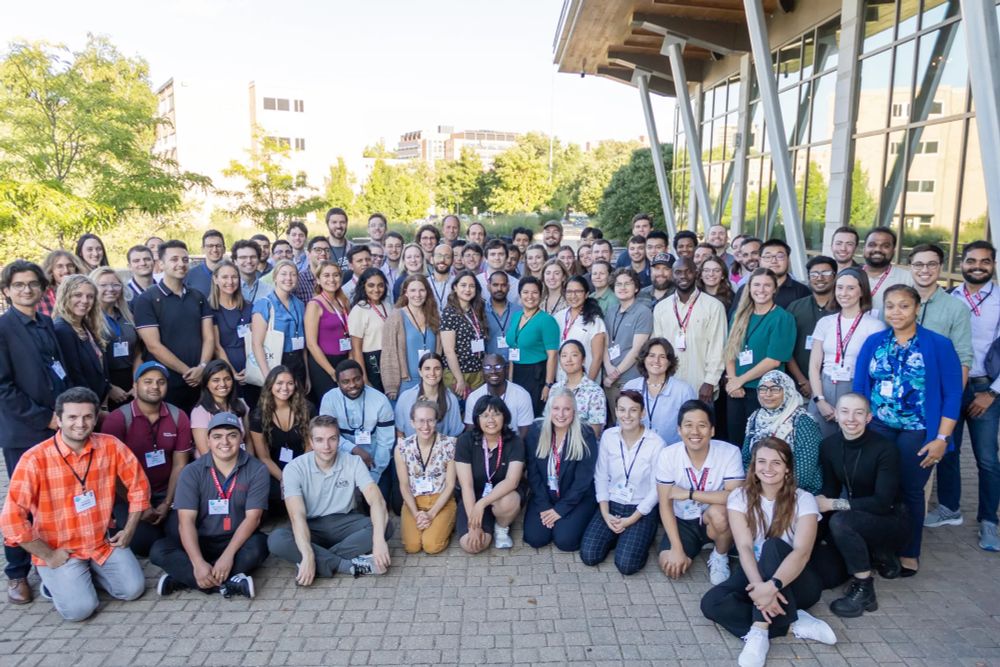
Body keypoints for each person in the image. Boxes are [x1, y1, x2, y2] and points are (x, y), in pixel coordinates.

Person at [1, 386, 149, 621]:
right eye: (72, 417)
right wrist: (48, 555)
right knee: (80, 611)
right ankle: (55, 583)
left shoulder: (110, 446)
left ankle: (81, 577)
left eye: (87, 416)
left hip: (100, 542)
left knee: (132, 590)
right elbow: (11, 521)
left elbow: (139, 486)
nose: (80, 424)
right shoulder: (34, 459)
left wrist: (130, 528)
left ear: (95, 418)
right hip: (61, 550)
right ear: (58, 420)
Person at [853, 284, 962, 575]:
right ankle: (878, 546)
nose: (896, 312)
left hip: (919, 430)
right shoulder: (874, 342)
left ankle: (909, 550)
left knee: (910, 491)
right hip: (878, 427)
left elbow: (953, 394)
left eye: (903, 305)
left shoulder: (938, 344)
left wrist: (941, 438)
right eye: (890, 306)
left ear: (916, 309)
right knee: (877, 488)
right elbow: (861, 386)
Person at [701, 438, 836, 666]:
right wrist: (759, 589)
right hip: (758, 574)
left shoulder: (804, 500)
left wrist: (771, 587)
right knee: (711, 603)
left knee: (772, 546)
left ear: (787, 469)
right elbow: (744, 547)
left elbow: (802, 552)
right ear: (753, 467)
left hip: (797, 581)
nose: (768, 468)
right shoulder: (739, 497)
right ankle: (792, 622)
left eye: (776, 463)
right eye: (761, 462)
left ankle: (759, 631)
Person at [0, 260, 69, 604]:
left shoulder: (46, 324)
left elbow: (57, 372)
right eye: (19, 285)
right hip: (24, 432)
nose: (27, 290)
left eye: (32, 284)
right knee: (21, 504)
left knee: (54, 497)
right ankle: (16, 573)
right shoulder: (3, 328)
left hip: (58, 427)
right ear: (7, 291)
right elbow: (3, 388)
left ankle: (54, 558)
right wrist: (45, 418)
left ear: (43, 289)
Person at [150, 412, 269, 599]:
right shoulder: (191, 471)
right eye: (217, 436)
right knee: (158, 550)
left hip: (236, 540)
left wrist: (228, 556)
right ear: (208, 440)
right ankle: (229, 582)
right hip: (201, 540)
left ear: (241, 438)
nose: (225, 442)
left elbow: (253, 518)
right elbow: (185, 521)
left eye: (232, 435)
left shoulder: (257, 469)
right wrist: (197, 562)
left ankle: (184, 579)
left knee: (260, 546)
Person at [816, 393, 909, 618]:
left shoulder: (885, 449)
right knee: (820, 517)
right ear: (835, 415)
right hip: (857, 513)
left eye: (859, 413)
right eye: (845, 412)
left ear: (869, 417)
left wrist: (833, 504)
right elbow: (829, 490)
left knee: (840, 521)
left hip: (890, 518)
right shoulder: (829, 446)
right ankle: (876, 554)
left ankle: (864, 587)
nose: (851, 418)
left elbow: (881, 502)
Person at [266, 415, 392, 581]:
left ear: (339, 440)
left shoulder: (353, 462)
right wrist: (308, 554)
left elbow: (377, 501)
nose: (326, 446)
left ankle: (318, 561)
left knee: (386, 526)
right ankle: (345, 565)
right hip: (311, 526)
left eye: (332, 439)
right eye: (319, 440)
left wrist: (378, 542)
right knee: (276, 540)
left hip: (345, 522)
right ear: (311, 442)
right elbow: (297, 516)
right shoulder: (294, 468)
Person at [934, 241, 1000, 549]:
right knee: (948, 449)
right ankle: (949, 507)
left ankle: (989, 521)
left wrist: (992, 393)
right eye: (971, 260)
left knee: (987, 458)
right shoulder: (949, 298)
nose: (977, 266)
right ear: (962, 263)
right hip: (952, 384)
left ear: (993, 265)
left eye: (984, 261)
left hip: (984, 387)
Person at [100, 361, 193, 558]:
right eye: (148, 381)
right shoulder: (117, 420)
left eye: (160, 382)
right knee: (141, 544)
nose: (154, 387)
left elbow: (180, 464)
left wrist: (167, 502)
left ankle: (168, 540)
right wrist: (140, 506)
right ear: (135, 385)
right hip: (129, 496)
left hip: (166, 492)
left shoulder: (178, 416)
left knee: (182, 534)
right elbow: (112, 473)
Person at [656, 400, 743, 584]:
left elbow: (735, 496)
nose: (695, 432)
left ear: (712, 430)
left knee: (720, 513)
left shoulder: (730, 452)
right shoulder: (668, 455)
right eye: (688, 425)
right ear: (679, 430)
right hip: (683, 520)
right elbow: (665, 504)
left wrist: (689, 493)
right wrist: (678, 550)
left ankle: (721, 555)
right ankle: (696, 546)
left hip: (712, 517)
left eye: (702, 425)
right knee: (671, 566)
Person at [580, 390, 665, 574]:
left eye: (633, 410)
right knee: (589, 555)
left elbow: (656, 489)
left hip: (640, 508)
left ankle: (636, 536)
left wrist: (631, 520)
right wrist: (605, 513)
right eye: (622, 410)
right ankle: (618, 535)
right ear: (616, 412)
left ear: (642, 413)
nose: (627, 416)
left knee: (627, 565)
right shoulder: (609, 437)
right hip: (612, 504)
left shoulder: (656, 443)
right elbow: (601, 476)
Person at [134, 240, 215, 413]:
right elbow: (153, 346)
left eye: (185, 260)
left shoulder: (198, 297)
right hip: (167, 383)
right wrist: (187, 372)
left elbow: (209, 337)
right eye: (174, 259)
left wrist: (201, 368)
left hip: (199, 381)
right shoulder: (147, 299)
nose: (181, 264)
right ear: (161, 264)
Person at [807, 268, 885, 437]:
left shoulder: (875, 326)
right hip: (824, 388)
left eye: (851, 288)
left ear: (862, 291)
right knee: (817, 444)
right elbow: (814, 366)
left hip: (854, 388)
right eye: (840, 287)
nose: (844, 293)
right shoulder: (825, 322)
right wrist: (819, 400)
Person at [724, 268, 796, 448]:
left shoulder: (782, 318)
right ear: (749, 288)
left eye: (767, 285)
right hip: (736, 391)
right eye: (756, 284)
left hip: (764, 391)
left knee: (760, 443)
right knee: (735, 441)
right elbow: (730, 351)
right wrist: (733, 381)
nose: (761, 290)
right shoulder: (739, 315)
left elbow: (774, 359)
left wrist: (739, 380)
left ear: (774, 289)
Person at [523, 388, 598, 551]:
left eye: (567, 409)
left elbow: (583, 481)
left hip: (576, 497)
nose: (561, 414)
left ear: (574, 411)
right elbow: (533, 474)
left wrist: (560, 510)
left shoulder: (585, 434)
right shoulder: (536, 431)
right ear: (549, 410)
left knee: (565, 541)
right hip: (545, 495)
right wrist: (544, 506)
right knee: (535, 538)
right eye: (556, 408)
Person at [455, 395, 527, 552]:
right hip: (473, 496)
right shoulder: (465, 441)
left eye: (496, 414)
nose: (491, 420)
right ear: (477, 419)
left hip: (502, 495)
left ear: (504, 417)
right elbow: (466, 486)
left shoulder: (515, 442)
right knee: (473, 545)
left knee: (509, 501)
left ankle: (501, 527)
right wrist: (473, 525)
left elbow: (512, 481)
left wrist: (482, 504)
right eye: (485, 415)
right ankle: (485, 523)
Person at [653, 257, 727, 405]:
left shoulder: (714, 306)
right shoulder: (661, 308)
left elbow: (718, 347)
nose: (683, 276)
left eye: (688, 272)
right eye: (678, 272)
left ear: (696, 273)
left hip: (701, 386)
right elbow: (658, 348)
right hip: (669, 385)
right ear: (672, 275)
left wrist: (710, 381)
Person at [319, 360, 396, 499]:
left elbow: (386, 442)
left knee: (376, 500)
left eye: (357, 379)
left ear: (363, 377)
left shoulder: (380, 400)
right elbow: (327, 436)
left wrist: (374, 474)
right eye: (345, 382)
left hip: (375, 461)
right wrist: (354, 449)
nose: (352, 385)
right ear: (338, 383)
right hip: (341, 460)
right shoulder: (329, 399)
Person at [742, 370, 823, 495]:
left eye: (775, 389)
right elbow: (747, 459)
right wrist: (758, 488)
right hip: (760, 488)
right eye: (763, 389)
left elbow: (804, 473)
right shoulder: (756, 417)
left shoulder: (803, 421)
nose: (767, 394)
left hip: (797, 491)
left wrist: (771, 492)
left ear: (787, 391)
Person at [395, 401, 458, 554]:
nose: (426, 426)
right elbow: (404, 485)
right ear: (412, 422)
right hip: (414, 502)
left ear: (436, 421)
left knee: (431, 546)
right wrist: (417, 513)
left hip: (441, 501)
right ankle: (429, 524)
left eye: (430, 420)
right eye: (421, 420)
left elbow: (450, 485)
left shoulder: (449, 444)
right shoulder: (402, 448)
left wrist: (431, 514)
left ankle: (445, 523)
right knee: (412, 546)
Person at [250, 365, 316, 504]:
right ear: (270, 385)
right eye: (279, 383)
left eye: (290, 383)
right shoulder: (258, 416)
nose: (285, 388)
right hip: (275, 469)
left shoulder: (307, 409)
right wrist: (284, 479)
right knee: (273, 497)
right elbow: (263, 457)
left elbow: (310, 447)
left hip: (303, 464)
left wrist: (298, 475)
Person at [910, 243, 973, 386]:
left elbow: (963, 357)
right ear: (911, 267)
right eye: (918, 264)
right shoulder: (894, 302)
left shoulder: (957, 308)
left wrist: (954, 401)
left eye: (932, 264)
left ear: (941, 267)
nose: (925, 270)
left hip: (936, 387)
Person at [623, 338, 696, 446]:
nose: (656, 361)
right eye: (651, 356)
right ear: (644, 359)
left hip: (671, 453)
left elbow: (692, 426)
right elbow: (622, 423)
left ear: (669, 361)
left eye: (662, 357)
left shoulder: (683, 390)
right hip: (638, 452)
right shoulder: (630, 386)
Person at [52, 274, 110, 405]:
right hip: (84, 406)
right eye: (78, 295)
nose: (85, 301)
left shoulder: (85, 326)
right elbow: (74, 376)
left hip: (99, 402)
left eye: (90, 296)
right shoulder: (62, 330)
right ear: (65, 297)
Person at [785, 256, 838, 399]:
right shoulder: (795, 307)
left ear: (835, 276)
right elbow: (786, 349)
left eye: (826, 273)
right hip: (798, 386)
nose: (819, 278)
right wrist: (802, 381)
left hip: (834, 385)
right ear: (808, 277)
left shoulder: (843, 309)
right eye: (814, 274)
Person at [381, 274, 441, 400]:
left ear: (427, 292)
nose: (417, 295)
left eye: (422, 290)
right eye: (413, 290)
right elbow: (389, 352)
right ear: (405, 293)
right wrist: (391, 386)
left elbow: (440, 350)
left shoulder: (434, 315)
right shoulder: (396, 316)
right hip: (407, 382)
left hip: (432, 380)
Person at [251, 259, 308, 388]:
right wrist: (268, 377)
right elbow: (256, 344)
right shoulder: (264, 304)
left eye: (293, 274)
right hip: (275, 362)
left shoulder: (300, 304)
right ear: (275, 277)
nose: (288, 278)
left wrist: (307, 375)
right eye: (283, 274)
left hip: (298, 363)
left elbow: (303, 343)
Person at [507, 276, 560, 416]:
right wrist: (510, 380)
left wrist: (548, 385)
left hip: (537, 375)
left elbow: (553, 355)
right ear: (519, 294)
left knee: (532, 415)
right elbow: (513, 348)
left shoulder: (547, 320)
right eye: (525, 292)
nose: (530, 296)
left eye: (534, 292)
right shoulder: (516, 316)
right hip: (517, 371)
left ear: (541, 295)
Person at [603, 269, 653, 410]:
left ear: (636, 287)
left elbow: (637, 350)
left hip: (630, 381)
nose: (622, 288)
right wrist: (608, 367)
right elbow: (605, 343)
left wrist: (615, 374)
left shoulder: (643, 312)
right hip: (609, 379)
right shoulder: (611, 311)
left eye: (627, 284)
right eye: (618, 284)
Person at [92, 267, 140, 410]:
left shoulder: (127, 315)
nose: (111, 289)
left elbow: (137, 350)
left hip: (130, 381)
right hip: (104, 383)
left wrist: (136, 382)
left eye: (115, 284)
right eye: (103, 285)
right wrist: (108, 388)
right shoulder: (89, 319)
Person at [209, 261, 256, 408]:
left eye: (234, 277)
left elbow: (256, 339)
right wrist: (232, 373)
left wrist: (252, 369)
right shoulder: (210, 309)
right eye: (225, 277)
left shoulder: (249, 306)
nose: (230, 281)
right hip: (225, 371)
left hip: (251, 369)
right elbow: (216, 346)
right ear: (216, 279)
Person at [441, 270, 487, 399]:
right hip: (458, 373)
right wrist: (460, 379)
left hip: (477, 372)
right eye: (463, 285)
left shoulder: (476, 310)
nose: (468, 289)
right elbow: (449, 351)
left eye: (471, 286)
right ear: (455, 287)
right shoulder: (450, 313)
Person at [395, 353, 464, 438]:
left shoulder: (451, 399)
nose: (432, 373)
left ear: (442, 371)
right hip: (411, 449)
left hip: (442, 449)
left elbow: (455, 434)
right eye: (427, 369)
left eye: (437, 369)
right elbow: (399, 432)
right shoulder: (405, 397)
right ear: (420, 372)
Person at [732, 239, 811, 314]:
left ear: (788, 260)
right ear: (760, 260)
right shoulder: (745, 289)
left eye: (780, 256)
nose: (773, 261)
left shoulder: (802, 292)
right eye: (767, 257)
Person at [190, 359, 250, 456]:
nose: (223, 384)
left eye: (227, 379)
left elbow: (249, 442)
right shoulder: (200, 412)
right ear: (206, 384)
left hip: (242, 462)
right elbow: (205, 453)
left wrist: (249, 466)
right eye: (215, 380)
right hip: (213, 466)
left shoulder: (241, 404)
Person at [465, 354, 535, 436]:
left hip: (513, 444)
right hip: (483, 444)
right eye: (487, 368)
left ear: (506, 369)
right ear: (482, 372)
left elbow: (525, 434)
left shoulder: (522, 395)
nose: (493, 371)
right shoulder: (474, 397)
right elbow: (470, 432)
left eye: (498, 367)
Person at [554, 275, 607, 382]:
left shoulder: (595, 321)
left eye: (578, 291)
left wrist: (587, 386)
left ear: (586, 294)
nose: (573, 296)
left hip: (585, 381)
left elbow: (597, 358)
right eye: (569, 292)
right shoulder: (558, 316)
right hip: (560, 380)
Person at [348, 268, 392, 393]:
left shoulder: (387, 305)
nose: (376, 290)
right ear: (363, 286)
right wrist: (364, 378)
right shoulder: (359, 310)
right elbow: (356, 348)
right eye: (371, 285)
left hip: (388, 357)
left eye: (380, 285)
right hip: (372, 360)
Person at [550, 340, 606, 438]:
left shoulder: (595, 391)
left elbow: (595, 432)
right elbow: (549, 421)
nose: (568, 360)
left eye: (574, 355)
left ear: (583, 359)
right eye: (564, 356)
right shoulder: (555, 388)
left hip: (583, 446)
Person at [861, 226, 914, 315]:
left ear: (893, 251)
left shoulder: (908, 278)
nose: (877, 249)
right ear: (864, 249)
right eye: (872, 245)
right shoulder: (850, 276)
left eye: (885, 246)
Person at [39, 250, 85, 317]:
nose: (66, 270)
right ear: (51, 270)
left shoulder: (85, 293)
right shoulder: (42, 296)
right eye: (59, 266)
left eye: (70, 265)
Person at [184, 230, 226, 297]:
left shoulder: (233, 274)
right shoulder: (190, 275)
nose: (214, 250)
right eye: (210, 246)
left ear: (224, 249)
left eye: (218, 246)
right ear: (203, 249)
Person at [231, 239, 273, 305]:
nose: (249, 261)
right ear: (235, 261)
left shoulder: (269, 291)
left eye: (253, 257)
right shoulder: (227, 289)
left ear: (258, 260)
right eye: (243, 257)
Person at [484, 270, 513, 362]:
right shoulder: (480, 311)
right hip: (491, 366)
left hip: (515, 364)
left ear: (508, 287)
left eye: (503, 285)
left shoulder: (519, 311)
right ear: (488, 286)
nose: (499, 289)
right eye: (495, 285)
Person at [293, 236, 332, 302]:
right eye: (318, 250)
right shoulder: (299, 281)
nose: (323, 253)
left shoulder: (333, 279)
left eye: (327, 250)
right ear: (308, 254)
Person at [426, 243, 455, 311]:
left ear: (452, 261)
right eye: (439, 256)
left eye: (447, 257)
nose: (442, 260)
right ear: (431, 259)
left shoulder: (458, 283)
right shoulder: (424, 283)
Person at [325, 207, 353, 272]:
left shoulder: (355, 249)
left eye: (342, 222)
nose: (338, 226)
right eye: (334, 222)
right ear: (327, 224)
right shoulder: (320, 250)